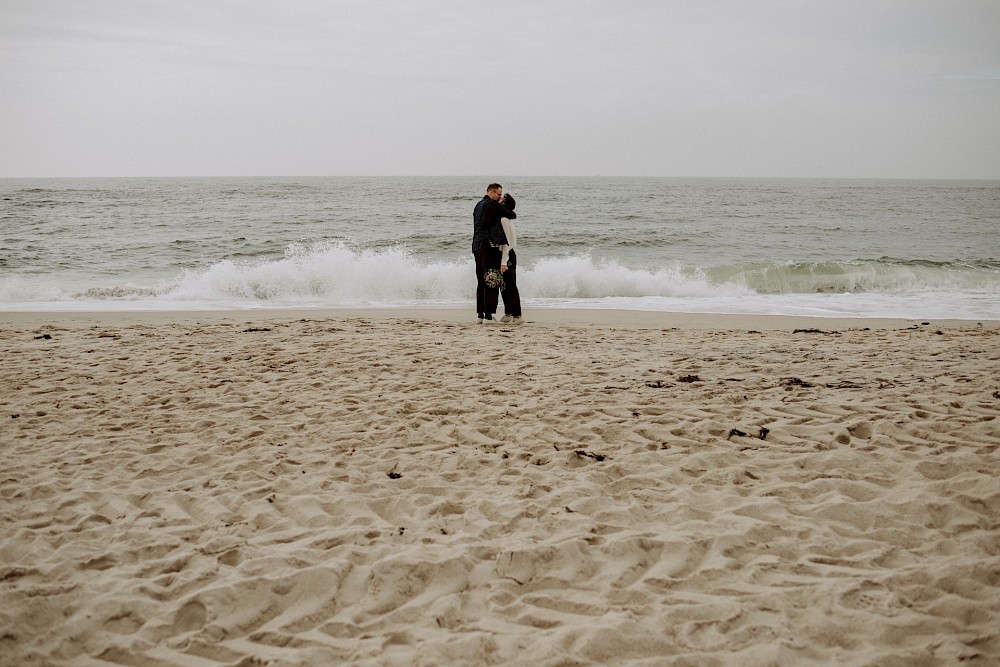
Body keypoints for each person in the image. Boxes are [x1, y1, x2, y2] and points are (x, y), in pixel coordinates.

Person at [472, 183, 516, 322]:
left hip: (476, 246)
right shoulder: (491, 205)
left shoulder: (478, 205)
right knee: (490, 282)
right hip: (487, 248)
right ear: (491, 192)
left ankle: (480, 315)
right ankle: (488, 316)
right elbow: (512, 214)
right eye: (498, 194)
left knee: (480, 281)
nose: (500, 197)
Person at [494, 193, 522, 324]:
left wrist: (503, 261)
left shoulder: (504, 220)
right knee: (504, 285)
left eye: (501, 199)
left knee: (510, 285)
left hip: (508, 254)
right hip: (507, 254)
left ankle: (517, 315)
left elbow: (506, 243)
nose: (499, 200)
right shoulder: (504, 218)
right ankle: (509, 312)